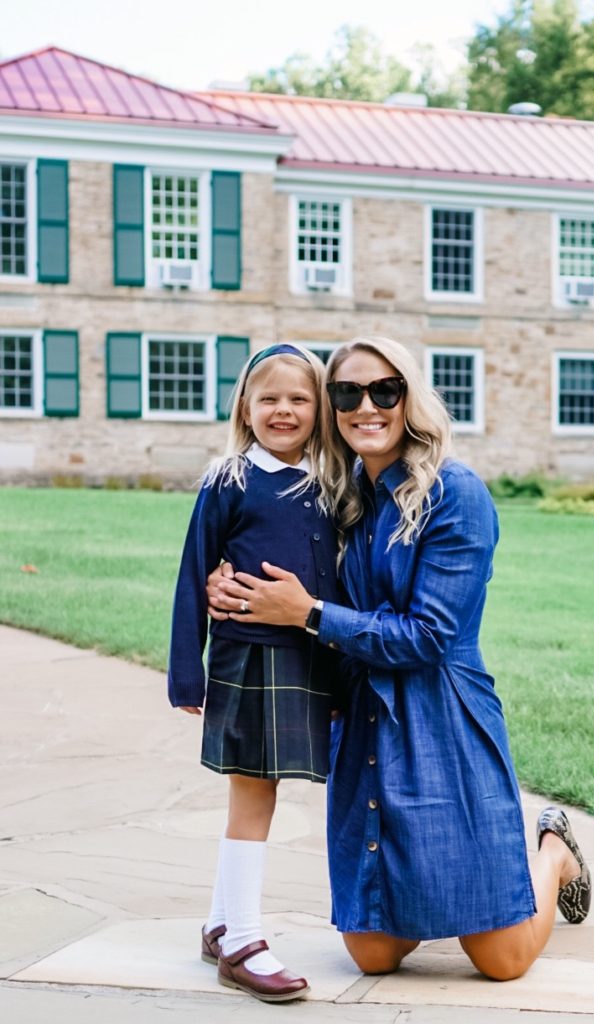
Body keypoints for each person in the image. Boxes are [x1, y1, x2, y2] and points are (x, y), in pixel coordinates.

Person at [207, 335, 591, 982]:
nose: (366, 406)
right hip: (362, 719)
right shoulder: (342, 493)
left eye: (383, 390)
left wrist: (306, 612)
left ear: (408, 398)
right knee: (373, 955)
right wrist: (229, 583)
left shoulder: (455, 493)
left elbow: (426, 636)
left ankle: (551, 850)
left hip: (443, 715)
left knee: (500, 961)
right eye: (346, 393)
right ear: (329, 407)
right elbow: (279, 561)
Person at [167, 342, 342, 1003]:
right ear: (245, 405)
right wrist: (189, 672)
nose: (284, 409)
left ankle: (217, 921)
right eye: (268, 397)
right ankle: (242, 939)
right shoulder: (229, 479)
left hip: (308, 659)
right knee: (255, 793)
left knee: (263, 791)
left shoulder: (330, 485)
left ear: (318, 408)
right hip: (248, 659)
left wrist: (338, 676)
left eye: (299, 398)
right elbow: (192, 574)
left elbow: (335, 584)